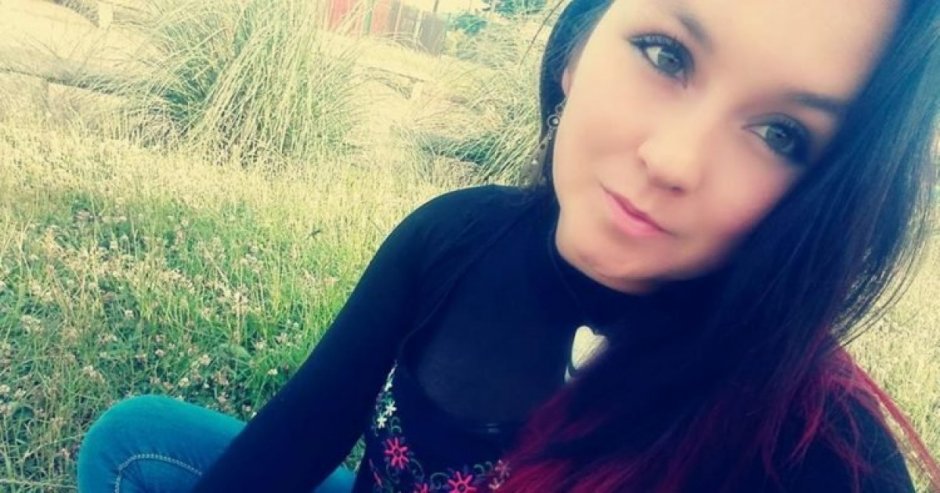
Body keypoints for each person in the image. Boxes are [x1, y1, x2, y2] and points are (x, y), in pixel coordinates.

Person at [77, 0, 940, 491]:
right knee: (135, 441)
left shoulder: (818, 453)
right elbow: (292, 442)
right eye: (664, 53)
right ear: (575, 50)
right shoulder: (455, 238)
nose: (673, 159)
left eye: (781, 133)